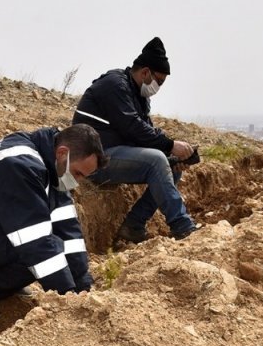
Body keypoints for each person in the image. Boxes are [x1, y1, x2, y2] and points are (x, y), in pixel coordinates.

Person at [0, 124, 105, 319]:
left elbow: (67, 229)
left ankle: (1, 283)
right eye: (78, 173)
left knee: (50, 248)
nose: (78, 181)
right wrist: (68, 299)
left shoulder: (53, 166)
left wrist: (83, 286)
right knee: (41, 250)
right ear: (63, 153)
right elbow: (36, 243)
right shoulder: (21, 165)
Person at [72, 36, 198, 243]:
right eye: (159, 81)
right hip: (91, 159)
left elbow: (145, 131)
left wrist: (171, 155)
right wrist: (170, 145)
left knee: (168, 167)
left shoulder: (138, 94)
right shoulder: (115, 85)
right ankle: (183, 227)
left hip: (113, 153)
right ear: (145, 72)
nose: (159, 87)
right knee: (157, 161)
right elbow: (133, 128)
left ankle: (133, 225)